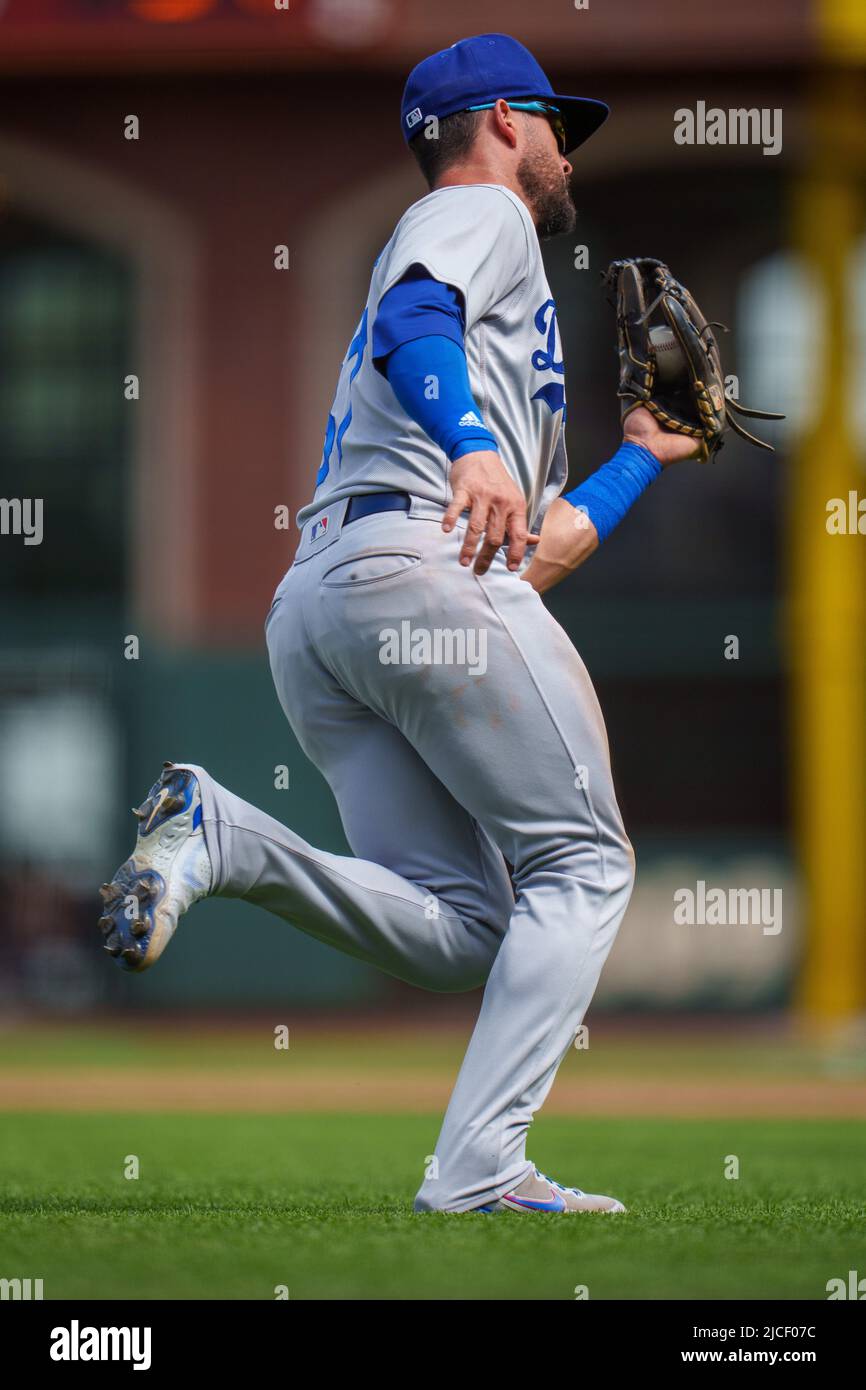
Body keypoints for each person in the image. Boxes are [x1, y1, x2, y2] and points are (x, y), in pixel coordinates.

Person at [98, 33, 696, 1216]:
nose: (565, 154)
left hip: (326, 600)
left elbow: (532, 553)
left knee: (474, 928)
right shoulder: (482, 216)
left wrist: (635, 461)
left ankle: (221, 838)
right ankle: (477, 1168)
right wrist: (472, 448)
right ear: (504, 122)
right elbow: (410, 315)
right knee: (579, 863)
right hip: (413, 567)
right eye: (555, 126)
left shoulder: (491, 320)